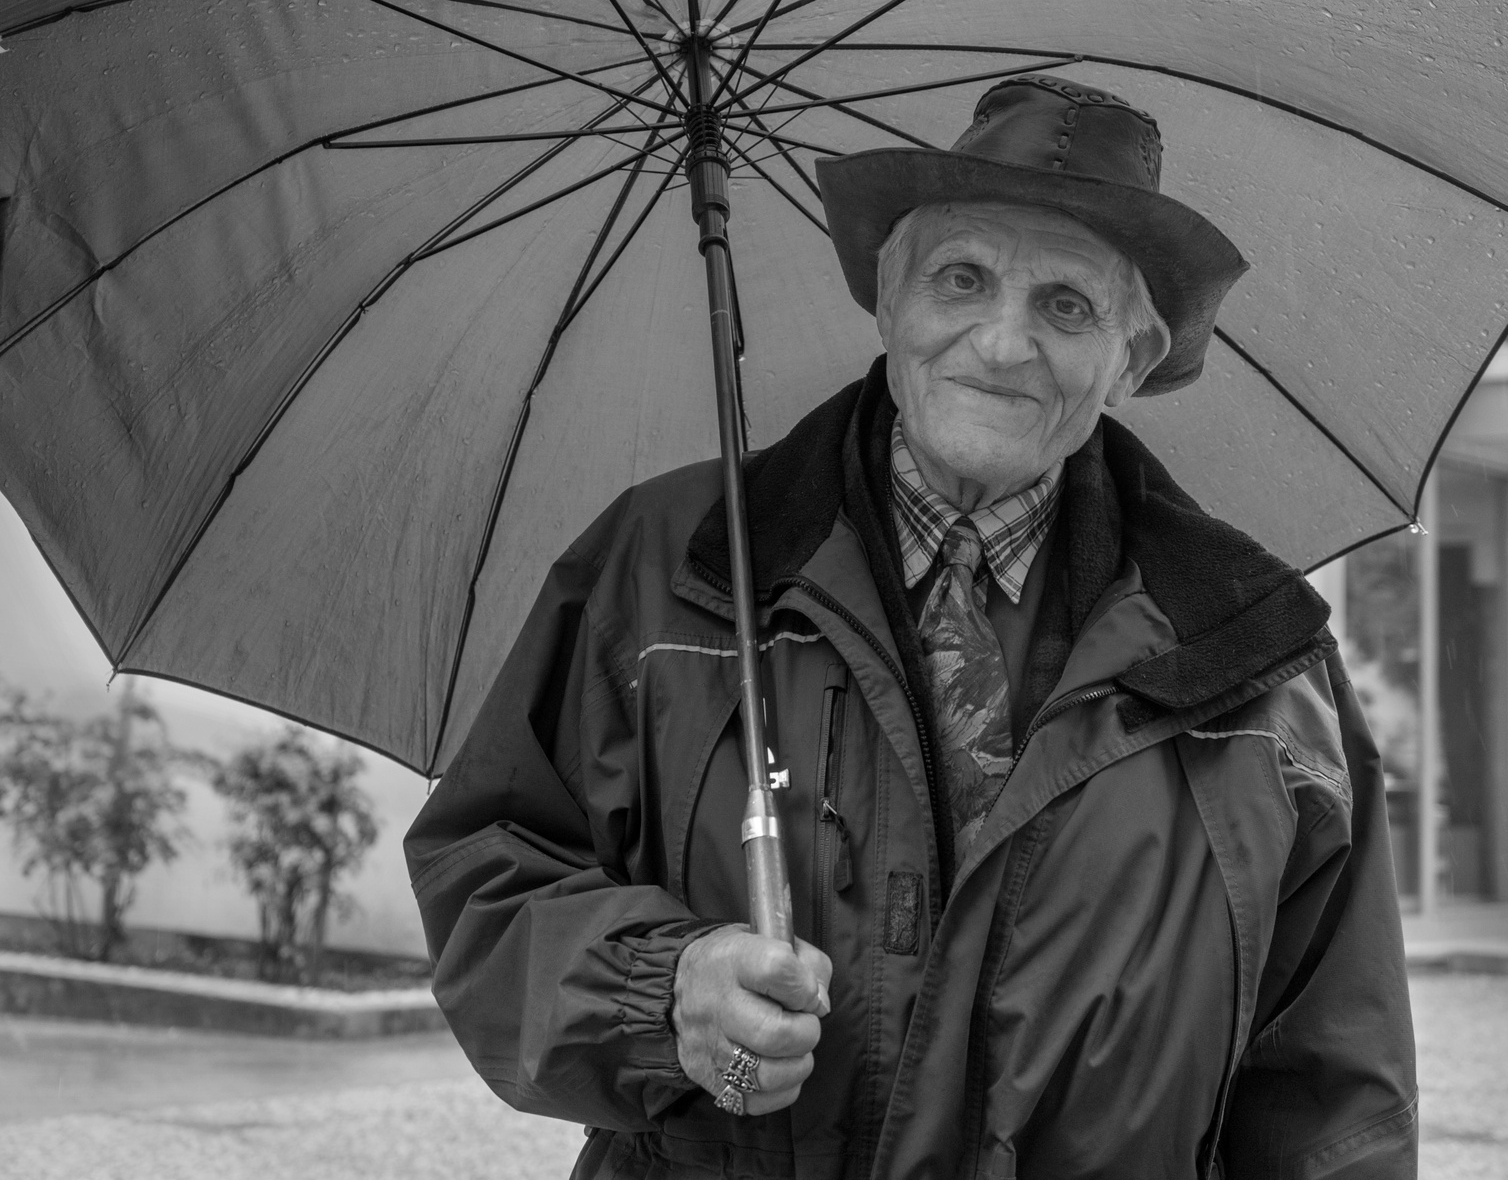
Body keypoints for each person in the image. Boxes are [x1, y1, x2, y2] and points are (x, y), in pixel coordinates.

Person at [405, 74, 1417, 1179]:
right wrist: (662, 989)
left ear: (1130, 362)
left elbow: (1335, 1103)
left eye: (1066, 306)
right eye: (961, 279)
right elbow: (489, 877)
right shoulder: (663, 569)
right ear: (889, 305)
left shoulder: (1258, 663)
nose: (1002, 342)